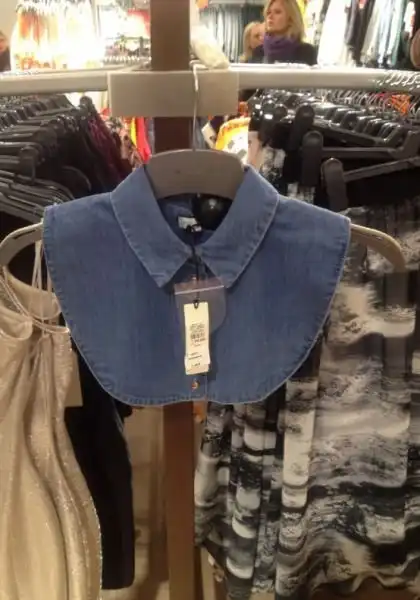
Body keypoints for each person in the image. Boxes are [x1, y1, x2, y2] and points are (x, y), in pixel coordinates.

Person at [250, 0, 316, 65]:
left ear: (291, 18)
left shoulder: (305, 51)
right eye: (268, 12)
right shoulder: (259, 52)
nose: (270, 16)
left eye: (277, 12)